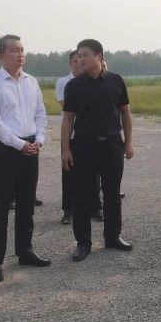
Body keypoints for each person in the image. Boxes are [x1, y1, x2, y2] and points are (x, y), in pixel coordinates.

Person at [0, 34, 51, 281]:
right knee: (0, 205)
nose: (20, 54)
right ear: (0, 54)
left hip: (30, 147)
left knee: (27, 202)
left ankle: (25, 250)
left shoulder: (31, 81)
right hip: (5, 149)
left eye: (22, 50)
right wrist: (20, 144)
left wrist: (39, 139)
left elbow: (40, 115)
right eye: (14, 50)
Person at [60, 39, 134, 261]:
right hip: (83, 145)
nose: (80, 59)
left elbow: (126, 113)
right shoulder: (74, 86)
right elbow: (68, 119)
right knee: (81, 197)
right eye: (78, 56)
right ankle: (83, 243)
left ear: (99, 56)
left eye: (85, 55)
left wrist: (128, 142)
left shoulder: (116, 81)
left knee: (112, 195)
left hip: (112, 144)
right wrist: (66, 149)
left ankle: (113, 237)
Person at [55, 50, 98, 225]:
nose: (79, 62)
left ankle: (96, 207)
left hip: (90, 134)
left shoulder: (94, 81)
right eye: (75, 60)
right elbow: (67, 108)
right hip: (71, 135)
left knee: (94, 173)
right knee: (69, 174)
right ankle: (68, 210)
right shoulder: (63, 83)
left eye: (81, 58)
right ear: (70, 63)